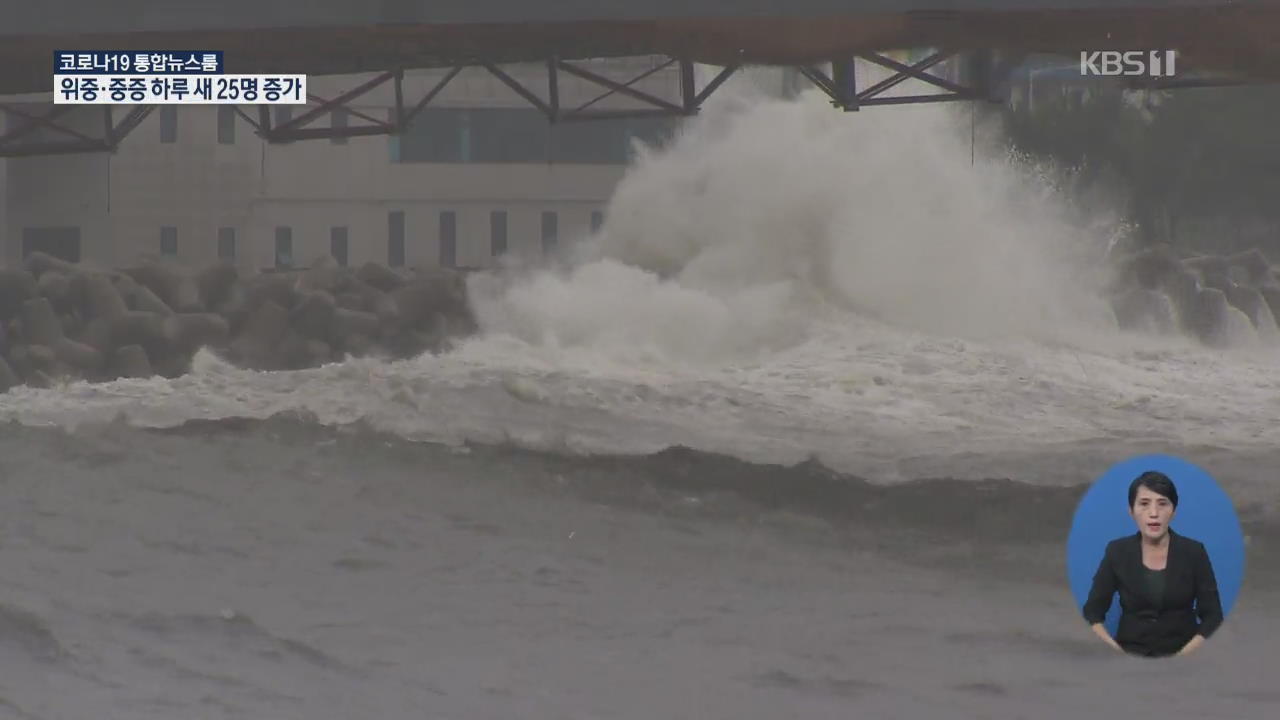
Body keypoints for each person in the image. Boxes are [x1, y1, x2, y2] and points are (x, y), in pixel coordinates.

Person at [1083, 470, 1224, 657]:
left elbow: (1213, 617)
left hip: (1183, 657)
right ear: (1131, 511)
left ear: (1173, 510)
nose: (1154, 513)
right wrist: (1118, 655)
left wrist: (1181, 658)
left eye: (1162, 503)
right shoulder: (1117, 551)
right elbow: (1092, 613)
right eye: (1144, 504)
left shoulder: (1194, 552)